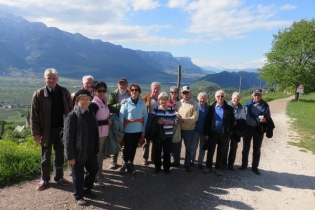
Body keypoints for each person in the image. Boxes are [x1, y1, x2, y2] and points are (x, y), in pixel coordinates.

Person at [30, 68, 72, 190]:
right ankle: (44, 179)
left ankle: (59, 177)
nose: (51, 80)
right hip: (45, 131)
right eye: (49, 78)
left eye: (53, 78)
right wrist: (36, 133)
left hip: (61, 130)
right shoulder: (39, 94)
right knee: (45, 156)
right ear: (45, 79)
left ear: (57, 79)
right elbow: (34, 115)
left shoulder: (64, 92)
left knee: (59, 155)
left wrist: (70, 128)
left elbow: (70, 111)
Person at [63, 89, 99, 206]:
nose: (85, 101)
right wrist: (70, 156)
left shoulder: (90, 113)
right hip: (78, 152)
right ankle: (78, 196)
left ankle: (87, 190)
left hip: (90, 150)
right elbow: (67, 138)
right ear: (77, 101)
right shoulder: (72, 116)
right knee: (78, 175)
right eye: (82, 99)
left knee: (93, 169)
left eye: (87, 99)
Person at [203, 90, 234, 176]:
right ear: (215, 97)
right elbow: (207, 121)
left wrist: (229, 132)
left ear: (225, 97)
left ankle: (218, 168)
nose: (220, 97)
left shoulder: (229, 109)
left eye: (222, 96)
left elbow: (232, 122)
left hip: (224, 134)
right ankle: (208, 167)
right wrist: (206, 133)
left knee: (221, 152)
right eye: (218, 96)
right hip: (213, 133)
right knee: (210, 151)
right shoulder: (211, 108)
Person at [240, 89, 271, 175]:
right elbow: (244, 116)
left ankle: (254, 167)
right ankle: (244, 165)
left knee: (257, 149)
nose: (257, 96)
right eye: (255, 95)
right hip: (248, 128)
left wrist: (265, 119)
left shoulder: (265, 105)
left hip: (259, 129)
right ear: (252, 95)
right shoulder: (247, 104)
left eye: (259, 95)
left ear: (261, 96)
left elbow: (268, 116)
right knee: (245, 148)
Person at [119, 84, 148, 174]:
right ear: (129, 91)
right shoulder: (125, 103)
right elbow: (121, 117)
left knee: (134, 148)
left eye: (136, 90)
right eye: (132, 90)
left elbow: (145, 117)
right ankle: (124, 163)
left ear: (139, 92)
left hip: (138, 130)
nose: (134, 91)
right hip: (127, 130)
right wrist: (121, 130)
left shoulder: (142, 103)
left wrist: (143, 130)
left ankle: (130, 163)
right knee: (127, 148)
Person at [89, 81, 113, 187]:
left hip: (104, 133)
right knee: (97, 156)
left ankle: (100, 175)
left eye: (103, 90)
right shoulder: (94, 104)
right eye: (99, 90)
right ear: (94, 91)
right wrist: (105, 122)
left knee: (101, 155)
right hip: (98, 135)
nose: (102, 92)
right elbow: (90, 121)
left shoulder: (103, 102)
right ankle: (95, 178)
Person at [151, 92, 178, 174]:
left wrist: (171, 122)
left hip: (168, 135)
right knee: (157, 152)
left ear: (167, 100)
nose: (163, 101)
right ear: (159, 100)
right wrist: (157, 121)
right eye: (161, 99)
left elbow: (176, 120)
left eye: (164, 99)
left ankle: (167, 168)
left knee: (167, 152)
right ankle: (157, 167)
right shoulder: (156, 109)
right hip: (158, 135)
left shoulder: (171, 109)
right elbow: (151, 119)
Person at [173, 86, 199, 172]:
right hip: (179, 129)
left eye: (187, 92)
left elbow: (195, 118)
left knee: (188, 147)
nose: (185, 94)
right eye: (184, 93)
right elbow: (175, 111)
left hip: (189, 129)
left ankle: (187, 164)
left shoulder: (194, 104)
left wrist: (183, 120)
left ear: (190, 93)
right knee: (177, 146)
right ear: (181, 94)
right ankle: (176, 161)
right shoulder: (178, 103)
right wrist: (177, 115)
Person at [107, 77, 130, 169]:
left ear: (127, 85)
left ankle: (124, 160)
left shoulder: (130, 93)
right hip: (116, 121)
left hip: (127, 121)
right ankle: (113, 161)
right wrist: (120, 104)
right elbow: (109, 107)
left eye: (124, 84)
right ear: (118, 85)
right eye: (120, 84)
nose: (122, 86)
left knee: (125, 140)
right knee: (115, 140)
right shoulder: (113, 94)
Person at [222, 92, 246, 171]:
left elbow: (243, 119)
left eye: (238, 99)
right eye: (234, 98)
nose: (236, 100)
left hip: (236, 131)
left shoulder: (241, 108)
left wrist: (237, 122)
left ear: (239, 100)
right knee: (225, 147)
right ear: (231, 98)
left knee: (234, 148)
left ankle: (231, 164)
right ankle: (223, 164)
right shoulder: (226, 106)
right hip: (227, 130)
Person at [141, 82, 161, 165]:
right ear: (151, 89)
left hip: (157, 123)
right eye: (154, 88)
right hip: (148, 122)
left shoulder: (161, 99)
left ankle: (153, 158)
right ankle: (144, 158)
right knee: (146, 141)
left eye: (157, 88)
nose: (156, 90)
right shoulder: (146, 98)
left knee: (155, 141)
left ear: (160, 90)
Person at [191, 92, 209, 169]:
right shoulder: (195, 107)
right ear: (198, 99)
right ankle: (192, 161)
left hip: (204, 131)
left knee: (202, 148)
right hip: (195, 130)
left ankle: (200, 162)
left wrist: (208, 133)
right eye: (201, 98)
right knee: (193, 147)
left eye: (204, 98)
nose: (202, 100)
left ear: (206, 99)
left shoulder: (209, 108)